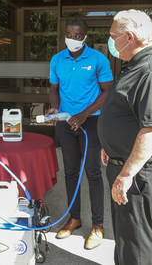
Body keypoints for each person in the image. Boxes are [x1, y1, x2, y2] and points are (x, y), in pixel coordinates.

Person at [97, 10, 152, 264]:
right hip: (122, 163)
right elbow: (128, 114)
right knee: (124, 236)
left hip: (138, 174)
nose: (110, 42)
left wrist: (126, 174)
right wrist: (110, 145)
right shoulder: (135, 65)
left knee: (135, 242)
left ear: (129, 37)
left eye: (112, 36)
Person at [47, 18, 113, 249]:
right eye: (68, 35)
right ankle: (74, 218)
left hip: (91, 123)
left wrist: (84, 114)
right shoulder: (57, 59)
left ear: (85, 36)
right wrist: (55, 108)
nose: (72, 39)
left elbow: (107, 92)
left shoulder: (98, 59)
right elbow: (54, 89)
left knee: (93, 173)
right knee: (71, 173)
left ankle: (98, 226)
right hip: (66, 123)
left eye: (77, 36)